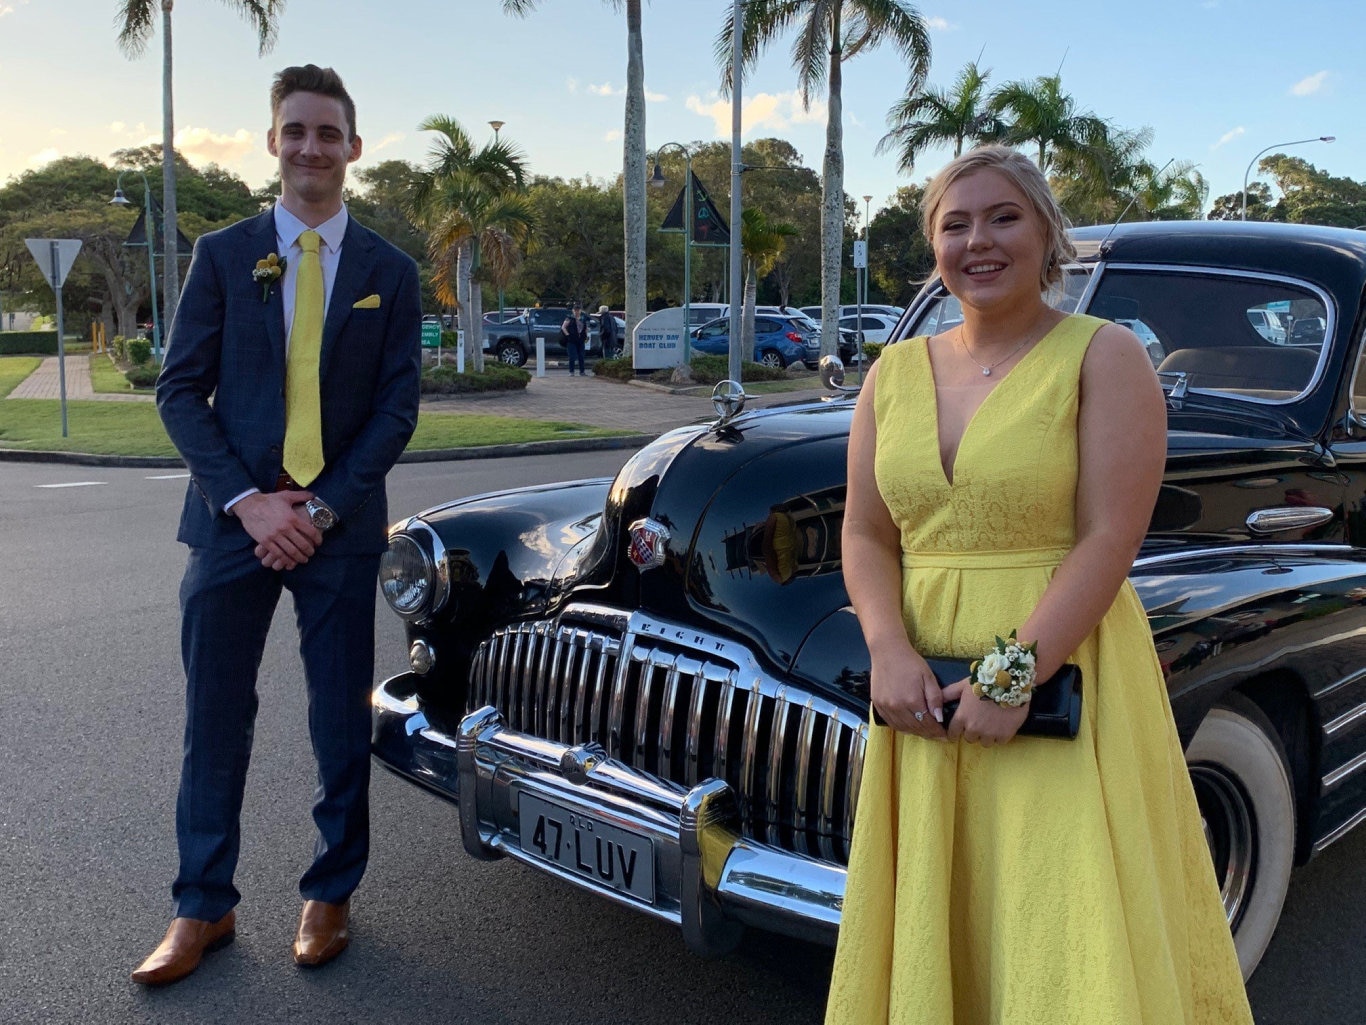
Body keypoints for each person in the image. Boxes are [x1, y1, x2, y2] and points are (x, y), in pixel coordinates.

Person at [826, 145, 1252, 1023]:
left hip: (1060, 673)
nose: (978, 240)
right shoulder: (891, 373)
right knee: (948, 919)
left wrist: (1017, 673)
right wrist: (887, 648)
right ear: (934, 245)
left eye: (1003, 217)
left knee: (1060, 920)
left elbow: (1110, 535)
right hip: (924, 689)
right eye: (955, 224)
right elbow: (866, 531)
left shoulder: (1104, 356)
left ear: (1048, 233)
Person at [133, 64, 422, 987]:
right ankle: (200, 904)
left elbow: (395, 410)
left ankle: (331, 889)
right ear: (271, 141)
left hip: (338, 530)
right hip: (231, 527)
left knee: (340, 719)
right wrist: (250, 502)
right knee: (214, 718)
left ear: (353, 148)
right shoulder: (223, 253)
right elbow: (179, 391)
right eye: (294, 130)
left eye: (327, 132)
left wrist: (322, 505)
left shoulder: (390, 271)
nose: (311, 147)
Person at [562, 302, 587, 375]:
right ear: (573, 310)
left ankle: (582, 371)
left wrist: (585, 335)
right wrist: (568, 335)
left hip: (581, 340)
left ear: (580, 310)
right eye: (575, 310)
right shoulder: (569, 318)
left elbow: (586, 328)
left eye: (578, 310)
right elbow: (563, 327)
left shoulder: (583, 318)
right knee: (572, 356)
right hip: (572, 340)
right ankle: (571, 371)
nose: (577, 311)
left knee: (581, 356)